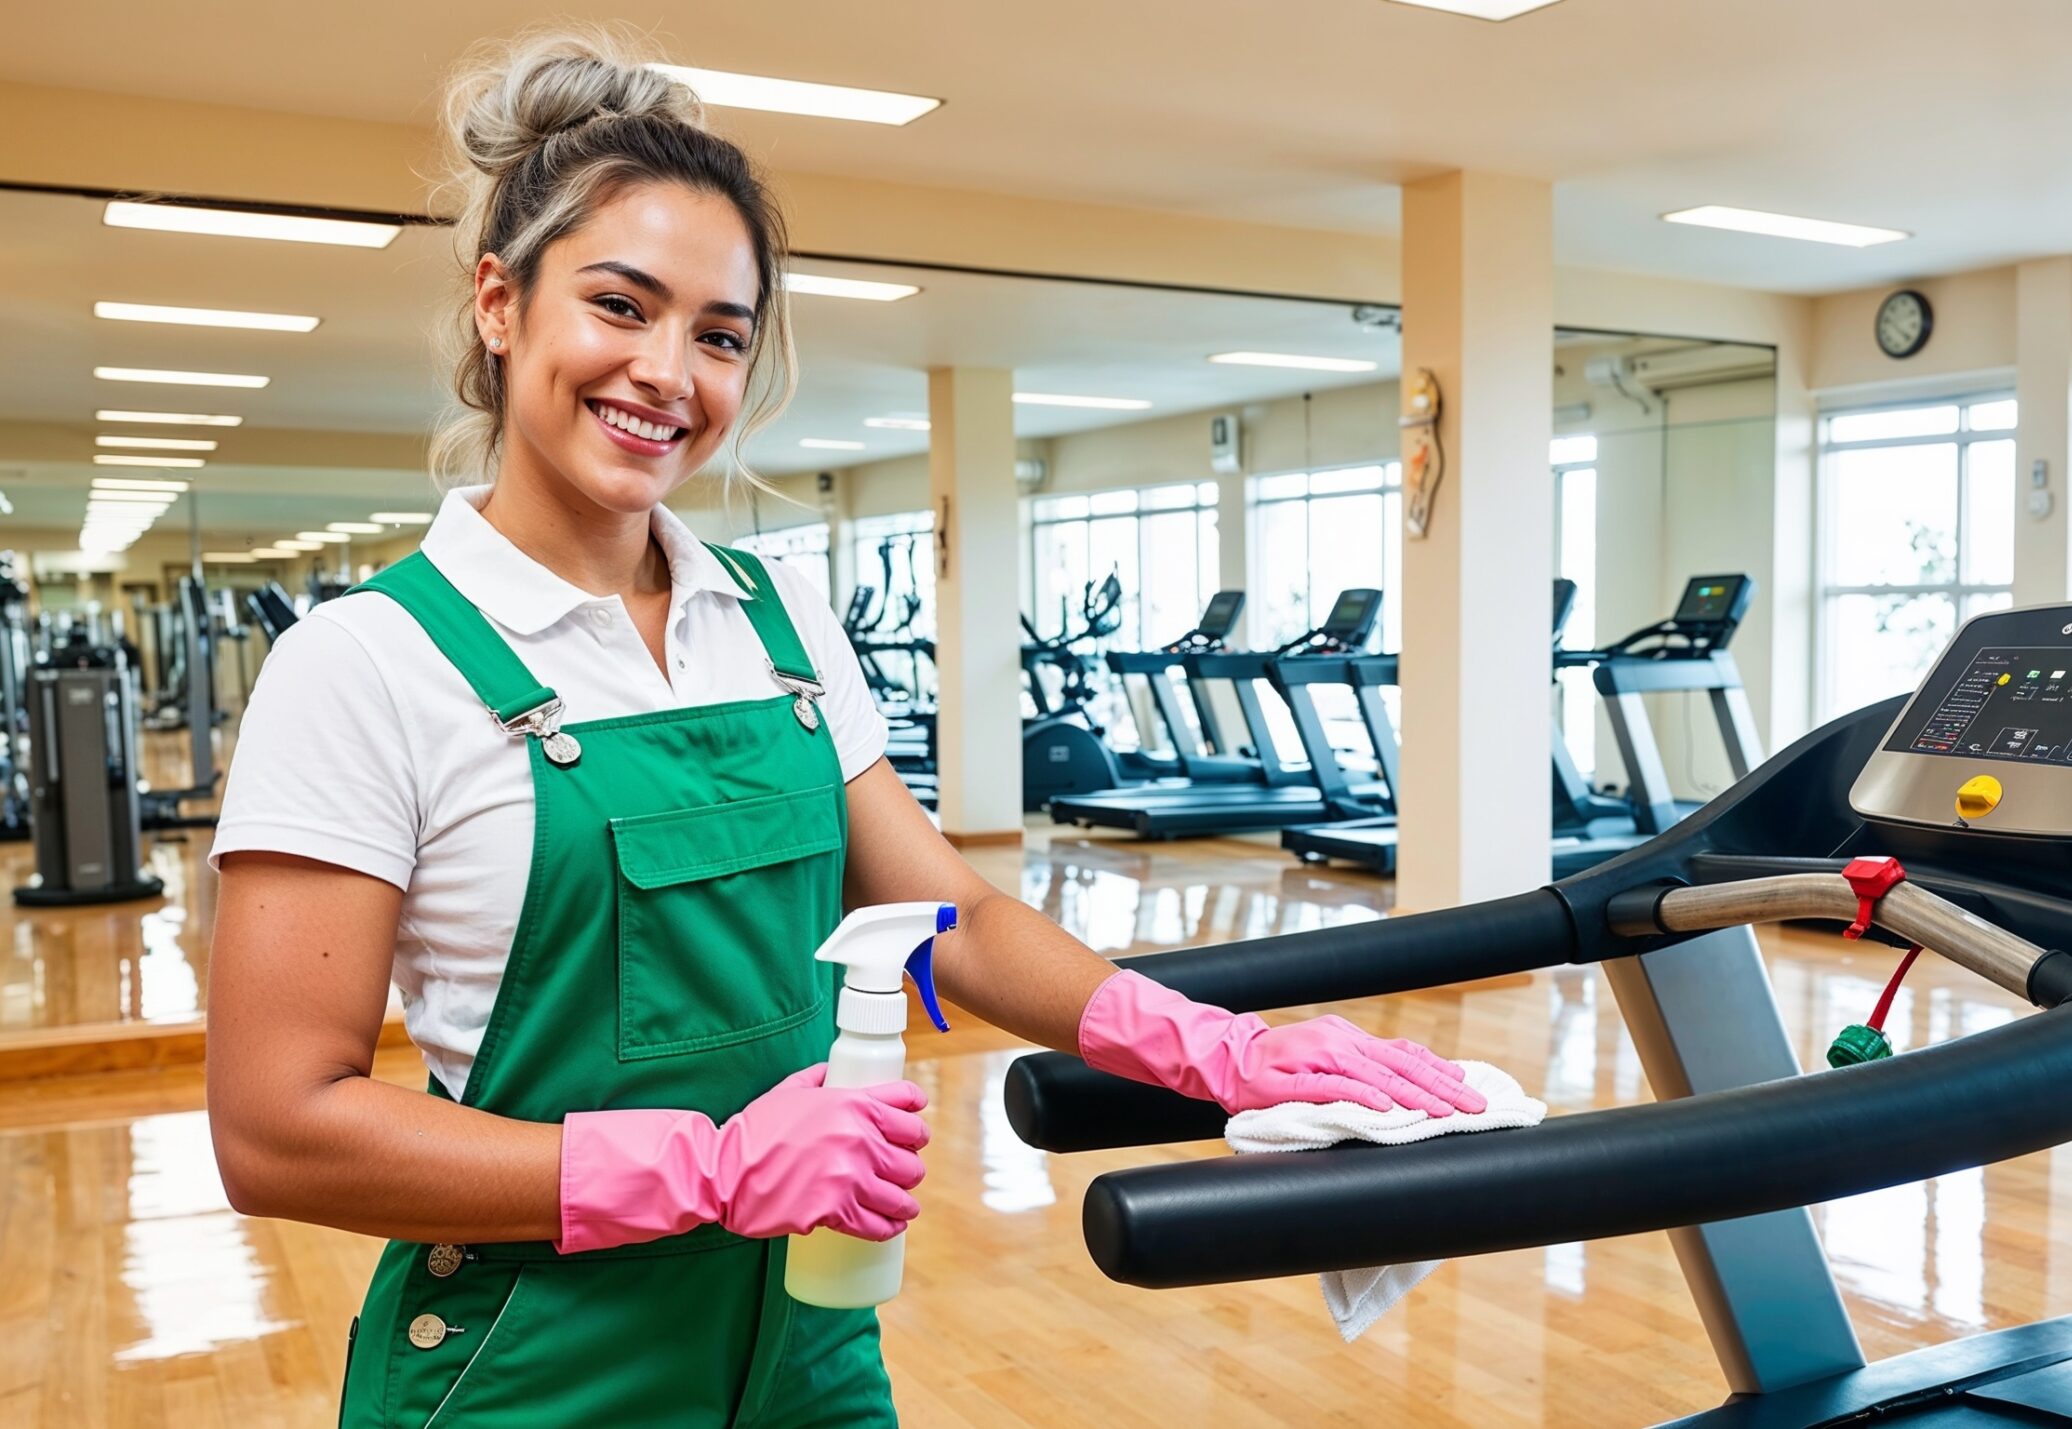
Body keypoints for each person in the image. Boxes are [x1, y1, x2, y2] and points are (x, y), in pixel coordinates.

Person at [203, 27, 1481, 1427]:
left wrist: (1222, 1050)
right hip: (531, 1369)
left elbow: (958, 921)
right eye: (619, 306)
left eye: (720, 333)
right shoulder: (367, 665)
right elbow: (281, 1127)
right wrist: (707, 1167)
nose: (666, 373)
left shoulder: (778, 618)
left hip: (809, 1342)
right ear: (500, 305)